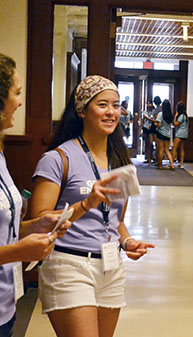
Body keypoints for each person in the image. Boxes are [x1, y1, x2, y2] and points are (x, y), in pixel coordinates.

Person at [29, 75, 155, 337]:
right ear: (83, 110)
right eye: (102, 105)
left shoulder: (120, 160)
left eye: (116, 105)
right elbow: (38, 219)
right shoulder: (57, 159)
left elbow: (115, 220)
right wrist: (86, 203)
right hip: (68, 263)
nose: (112, 112)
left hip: (110, 267)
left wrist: (127, 241)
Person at [0, 53, 71, 337]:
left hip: (5, 305)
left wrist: (35, 227)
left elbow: (4, 228)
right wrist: (19, 252)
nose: (20, 102)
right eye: (16, 93)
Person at [155, 99, 175, 170]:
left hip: (161, 133)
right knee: (167, 150)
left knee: (161, 150)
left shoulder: (160, 114)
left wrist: (156, 124)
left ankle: (160, 166)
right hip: (168, 134)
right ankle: (172, 164)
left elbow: (159, 125)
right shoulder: (170, 115)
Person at [172, 101, 188, 169]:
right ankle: (181, 163)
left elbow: (175, 124)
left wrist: (175, 116)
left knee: (174, 149)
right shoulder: (185, 116)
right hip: (185, 134)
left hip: (179, 134)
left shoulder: (181, 116)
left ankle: (171, 163)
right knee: (182, 149)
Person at [141, 100, 155, 164]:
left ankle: (152, 157)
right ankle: (147, 158)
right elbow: (144, 119)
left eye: (149, 103)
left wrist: (152, 121)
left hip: (152, 128)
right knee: (146, 143)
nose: (148, 105)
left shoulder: (154, 111)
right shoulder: (145, 112)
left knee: (151, 143)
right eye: (147, 104)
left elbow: (154, 119)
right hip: (145, 128)